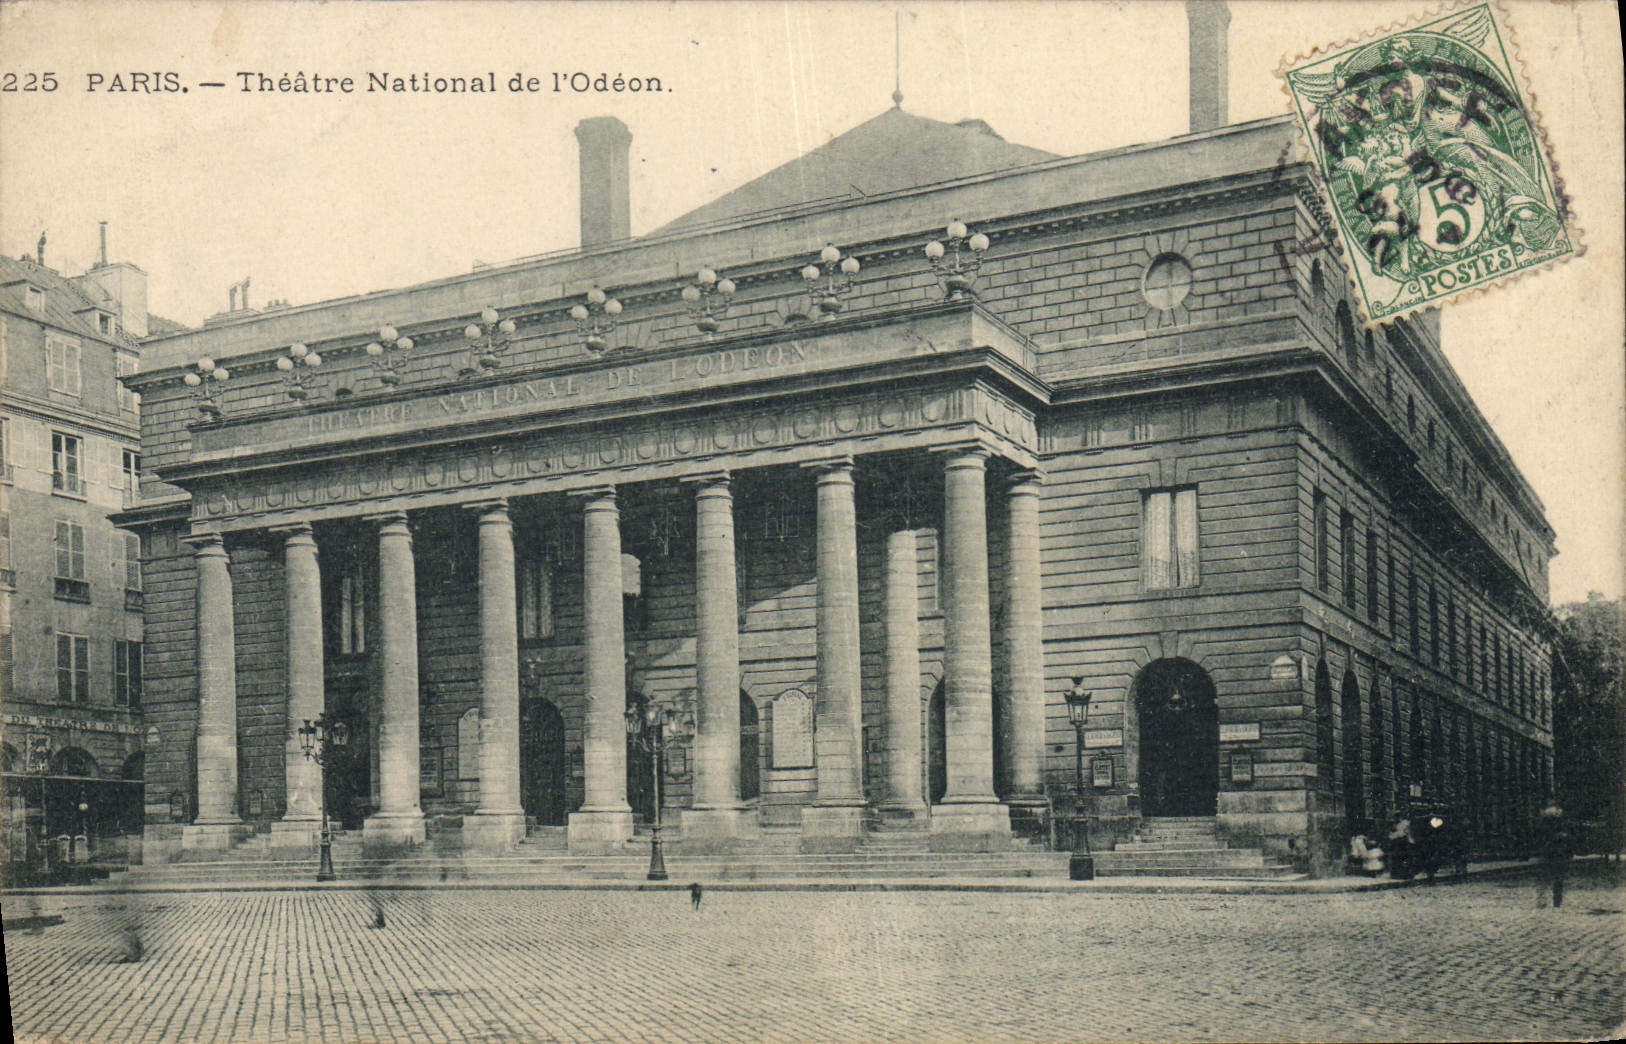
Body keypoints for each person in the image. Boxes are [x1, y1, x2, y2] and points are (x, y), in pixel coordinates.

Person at [1540, 803, 1572, 909]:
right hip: (1557, 853)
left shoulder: (1545, 823)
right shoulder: (1560, 826)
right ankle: (1556, 901)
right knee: (1557, 877)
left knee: (1547, 876)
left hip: (1551, 852)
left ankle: (1544, 900)